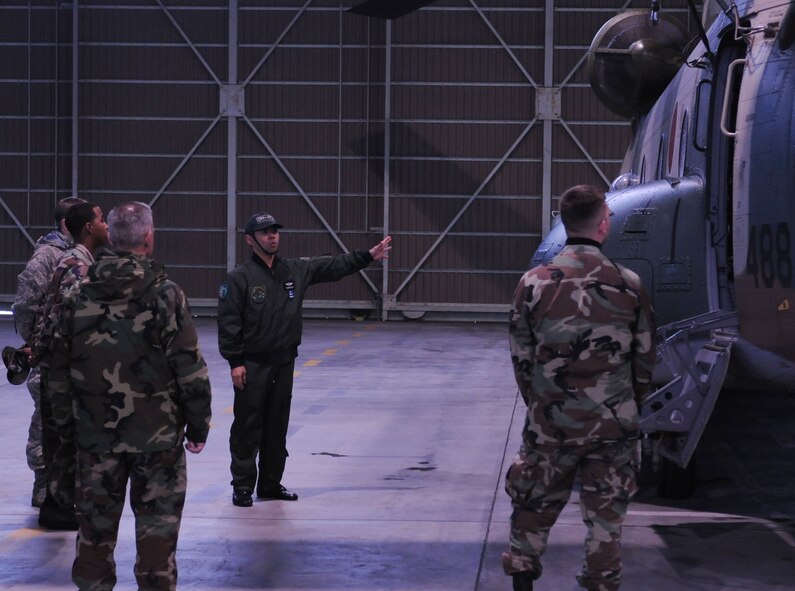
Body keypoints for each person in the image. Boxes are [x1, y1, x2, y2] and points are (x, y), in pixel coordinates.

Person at [48, 201, 212, 591]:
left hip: (95, 440)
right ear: (149, 238)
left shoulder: (77, 294)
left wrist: (66, 430)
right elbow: (189, 366)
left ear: (112, 238)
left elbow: (56, 372)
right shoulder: (166, 294)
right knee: (157, 538)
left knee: (94, 539)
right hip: (157, 441)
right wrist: (198, 425)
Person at [502, 185, 656, 591]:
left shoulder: (533, 283)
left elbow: (521, 357)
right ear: (604, 224)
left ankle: (522, 574)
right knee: (606, 520)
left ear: (564, 222)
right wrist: (625, 407)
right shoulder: (628, 284)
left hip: (551, 422)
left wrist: (541, 403)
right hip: (612, 425)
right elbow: (644, 359)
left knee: (533, 504)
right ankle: (600, 583)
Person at [218, 212, 391, 507]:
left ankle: (270, 484)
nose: (272, 236)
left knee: (277, 426)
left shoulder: (294, 270)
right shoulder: (239, 278)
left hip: (284, 362)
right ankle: (243, 486)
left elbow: (332, 267)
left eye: (275, 231)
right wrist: (235, 362)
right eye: (265, 233)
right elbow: (228, 323)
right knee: (247, 426)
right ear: (250, 240)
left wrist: (367, 256)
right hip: (253, 364)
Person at [30, 201, 110, 530]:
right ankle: (59, 509)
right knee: (64, 441)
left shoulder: (75, 261)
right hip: (66, 371)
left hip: (59, 367)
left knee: (60, 441)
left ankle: (58, 506)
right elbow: (72, 324)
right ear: (89, 227)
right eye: (101, 219)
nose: (106, 225)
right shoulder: (78, 267)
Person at [12, 196, 84, 508]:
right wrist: (35, 344)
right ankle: (42, 483)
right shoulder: (46, 256)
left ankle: (67, 486)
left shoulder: (79, 254)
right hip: (49, 355)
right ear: (67, 224)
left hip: (74, 356)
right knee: (45, 421)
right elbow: (25, 305)